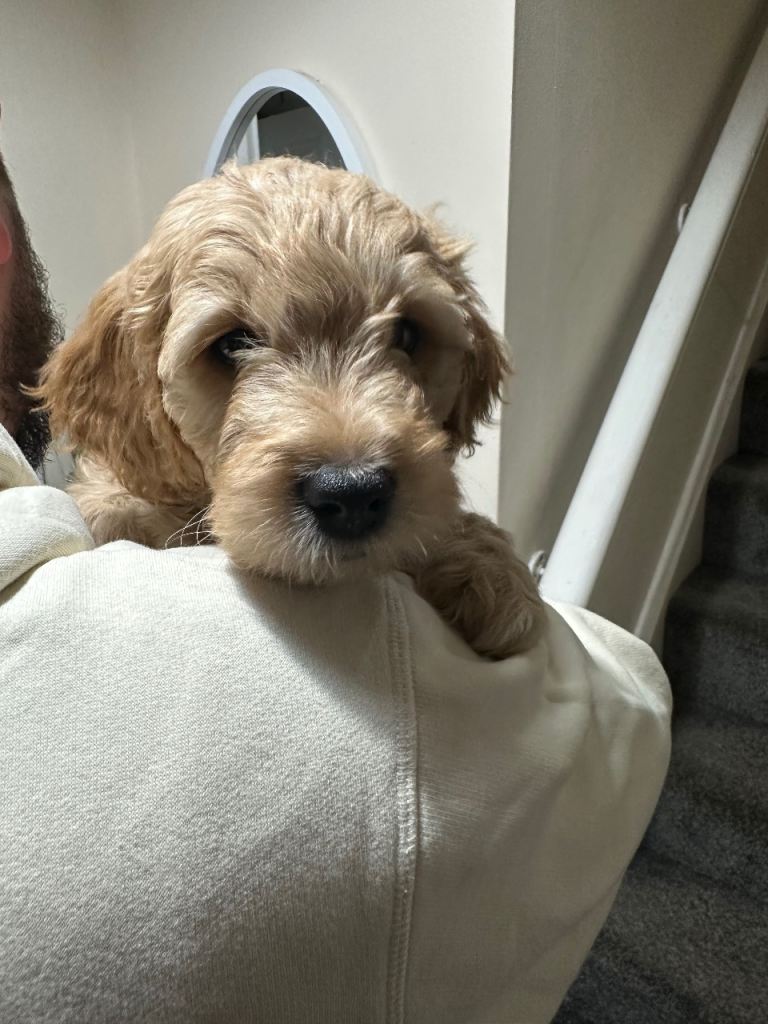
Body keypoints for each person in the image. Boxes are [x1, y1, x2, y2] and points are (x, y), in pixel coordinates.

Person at [0, 136, 671, 1024]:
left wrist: (465, 549)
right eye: (232, 347)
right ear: (140, 389)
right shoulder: (93, 548)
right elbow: (622, 710)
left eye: (404, 338)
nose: (351, 447)